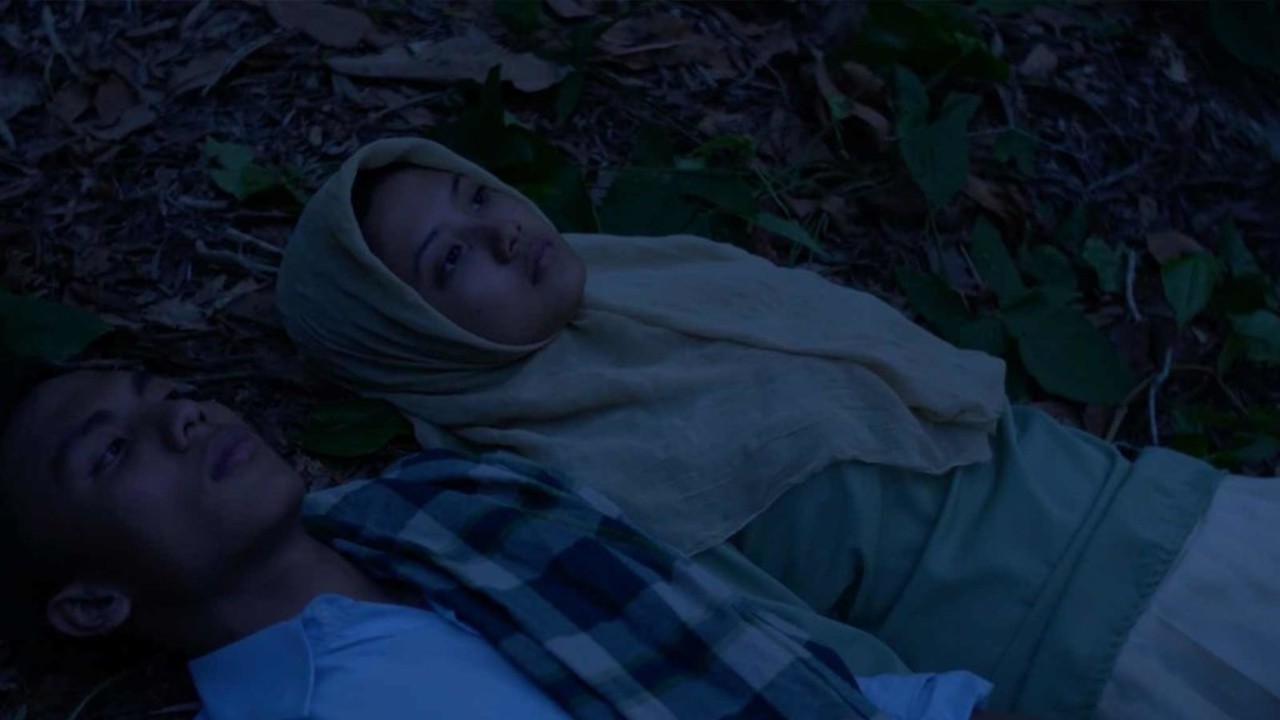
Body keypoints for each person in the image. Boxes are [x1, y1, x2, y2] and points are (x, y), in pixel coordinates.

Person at [275, 137, 1280, 720]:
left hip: (1185, 511)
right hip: (1123, 658)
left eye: (478, 193)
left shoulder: (664, 282)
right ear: (404, 340)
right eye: (451, 261)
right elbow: (810, 669)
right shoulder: (549, 483)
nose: (501, 229)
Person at [0, 363, 1002, 720]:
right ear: (91, 603)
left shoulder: (458, 502)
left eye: (166, 393)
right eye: (111, 451)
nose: (182, 416)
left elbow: (754, 654)